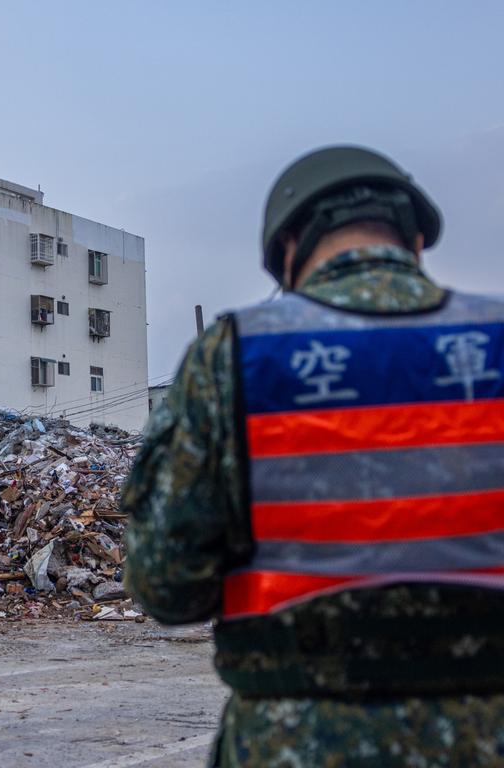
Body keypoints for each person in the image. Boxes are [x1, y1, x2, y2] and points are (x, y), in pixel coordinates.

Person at [123, 145, 504, 766]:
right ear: (413, 239)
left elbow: (166, 586)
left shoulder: (235, 356)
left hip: (293, 742)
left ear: (291, 251)